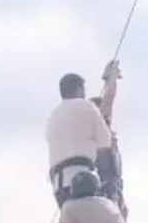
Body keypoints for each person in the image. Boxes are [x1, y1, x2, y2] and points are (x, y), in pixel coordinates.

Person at [45, 71, 113, 209]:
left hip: (58, 185)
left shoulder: (52, 117)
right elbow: (105, 141)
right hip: (82, 181)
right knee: (95, 220)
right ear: (79, 89)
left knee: (71, 220)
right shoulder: (86, 106)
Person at [90, 60, 128, 220]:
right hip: (107, 192)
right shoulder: (99, 132)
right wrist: (111, 78)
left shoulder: (94, 137)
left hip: (111, 191)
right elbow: (109, 100)